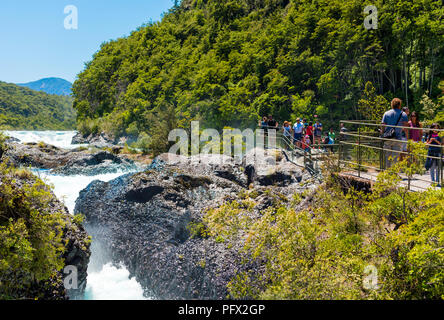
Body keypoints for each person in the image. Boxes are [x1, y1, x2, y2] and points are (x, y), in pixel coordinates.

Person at [381, 98, 408, 169]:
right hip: (397, 138)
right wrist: (408, 138)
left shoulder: (386, 113)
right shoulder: (403, 114)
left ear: (392, 104)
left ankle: (388, 172)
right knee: (395, 157)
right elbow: (406, 128)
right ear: (399, 105)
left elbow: (383, 126)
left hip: (387, 137)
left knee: (387, 156)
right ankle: (394, 174)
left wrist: (382, 134)